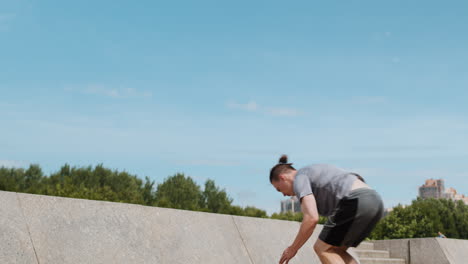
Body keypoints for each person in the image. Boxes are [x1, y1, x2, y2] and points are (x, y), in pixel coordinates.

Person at [270, 155, 384, 264]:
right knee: (336, 250)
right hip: (375, 201)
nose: (284, 194)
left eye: (279, 189)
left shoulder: (299, 178)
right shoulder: (312, 172)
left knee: (322, 248)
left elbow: (311, 218)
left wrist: (292, 248)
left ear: (283, 178)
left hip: (355, 200)